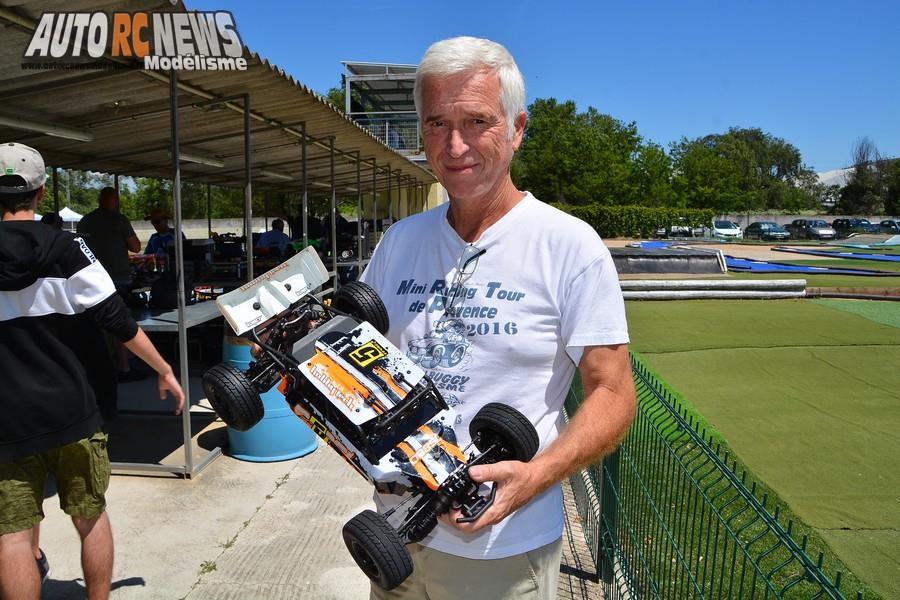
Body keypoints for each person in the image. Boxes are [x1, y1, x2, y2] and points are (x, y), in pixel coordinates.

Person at [358, 37, 636, 600]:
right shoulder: (398, 242)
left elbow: (613, 392)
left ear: (516, 128)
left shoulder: (569, 246)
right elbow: (358, 359)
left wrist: (536, 476)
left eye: (477, 121)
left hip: (500, 551)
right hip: (393, 536)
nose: (454, 144)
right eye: (437, 123)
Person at [0, 142, 185, 600]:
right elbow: (117, 321)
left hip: (7, 418)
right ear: (41, 193)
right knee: (90, 518)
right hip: (74, 410)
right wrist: (163, 368)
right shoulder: (66, 248)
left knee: (13, 537)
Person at [76, 187, 141, 289]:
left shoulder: (84, 221)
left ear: (99, 200)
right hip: (119, 276)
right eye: (115, 198)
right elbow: (136, 248)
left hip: (93, 275)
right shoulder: (120, 220)